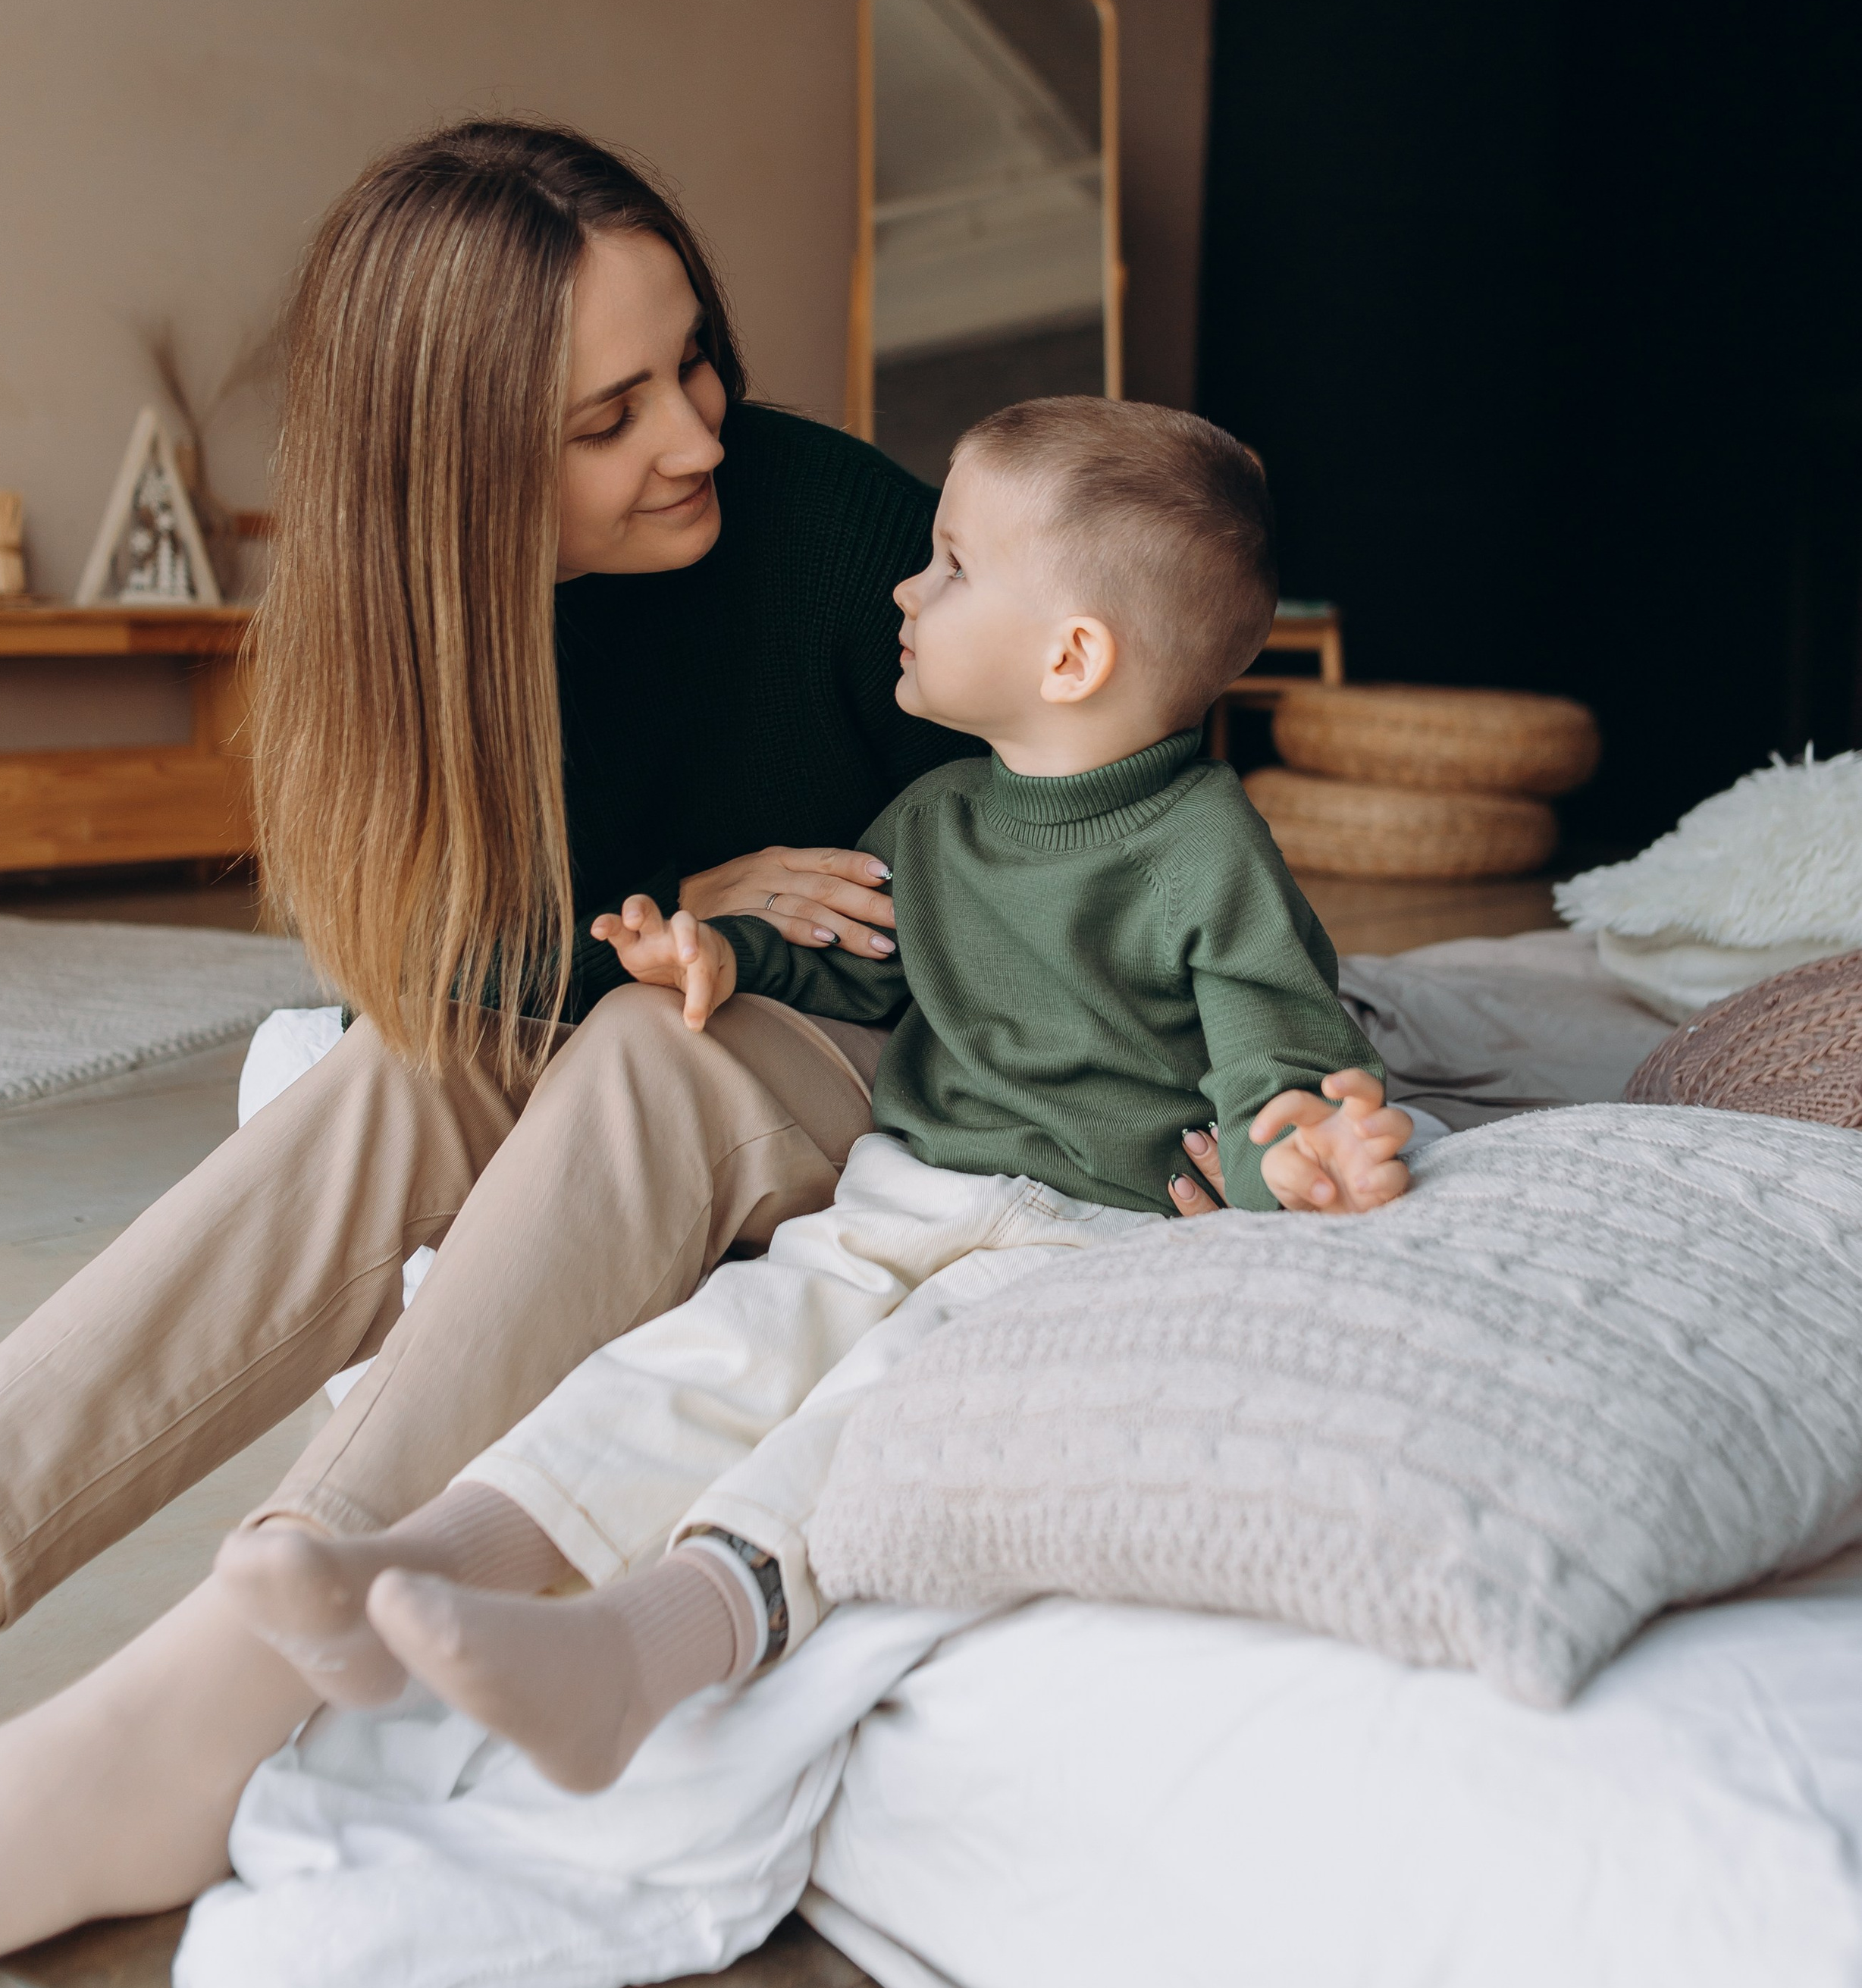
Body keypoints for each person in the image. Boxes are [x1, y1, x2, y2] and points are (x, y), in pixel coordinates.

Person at [0, 136, 1232, 1988]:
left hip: (912, 1051)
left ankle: (195, 1714)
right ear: (456, 473)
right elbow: (435, 957)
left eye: (690, 362)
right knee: (393, 1071)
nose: (692, 432)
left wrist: (1206, 1069)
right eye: (607, 416)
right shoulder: (403, 631)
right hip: (674, 983)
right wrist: (671, 899)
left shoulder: (829, 526)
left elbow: (1151, 770)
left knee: (647, 1050)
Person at [215, 397, 1412, 1795]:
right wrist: (723, 953)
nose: (906, 585)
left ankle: (638, 1659)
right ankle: (409, 1561)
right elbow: (856, 966)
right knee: (717, 1350)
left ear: (1072, 656)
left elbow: (1280, 1055)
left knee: (876, 1421)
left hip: (1087, 1239)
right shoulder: (939, 817)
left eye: (952, 566)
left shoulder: (1206, 850)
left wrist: (1306, 1163)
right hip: (910, 1189)